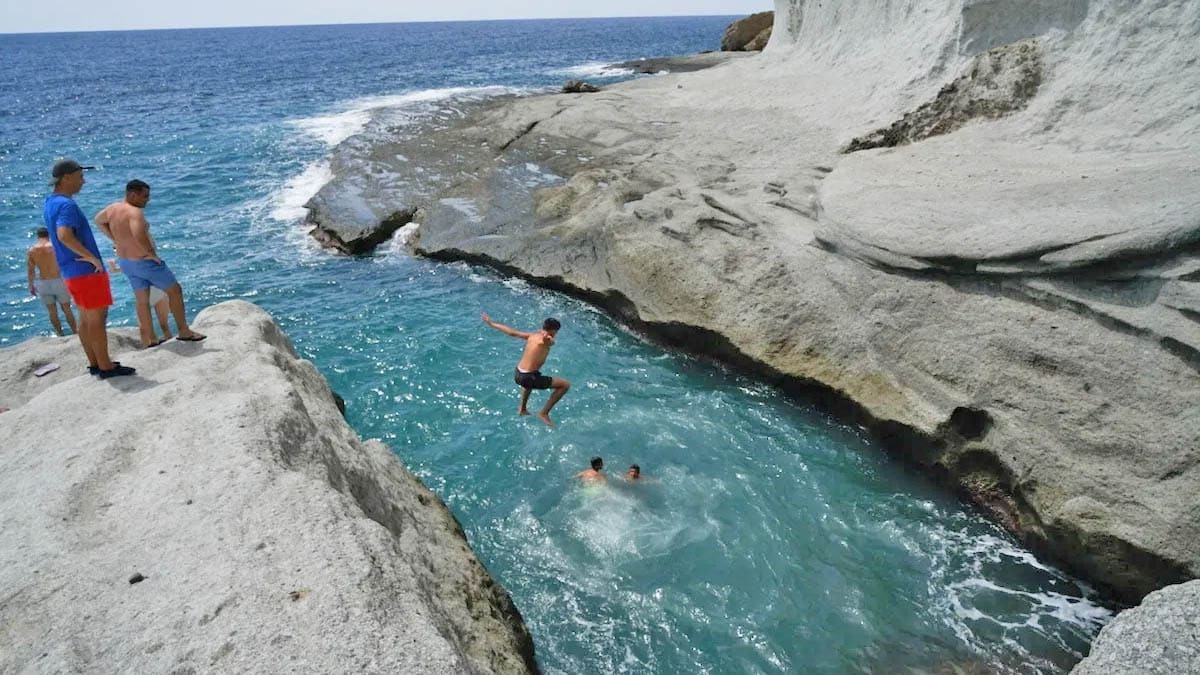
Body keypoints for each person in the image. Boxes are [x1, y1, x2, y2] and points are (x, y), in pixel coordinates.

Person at [43, 158, 135, 378]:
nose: (83, 181)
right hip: (86, 271)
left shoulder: (51, 202)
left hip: (70, 271)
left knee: (85, 318)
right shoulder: (67, 204)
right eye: (80, 176)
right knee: (97, 318)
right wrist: (91, 258)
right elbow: (63, 234)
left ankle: (95, 363)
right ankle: (105, 366)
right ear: (66, 178)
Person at [95, 179, 205, 347]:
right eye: (145, 196)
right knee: (175, 291)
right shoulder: (134, 212)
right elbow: (138, 233)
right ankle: (184, 331)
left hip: (126, 262)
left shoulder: (112, 209)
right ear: (133, 194)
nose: (148, 199)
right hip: (144, 262)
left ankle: (149, 340)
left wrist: (116, 239)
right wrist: (151, 254)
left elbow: (98, 220)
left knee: (142, 300)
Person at [481, 312, 570, 426]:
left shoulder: (532, 336)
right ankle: (543, 413)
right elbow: (548, 341)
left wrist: (492, 323)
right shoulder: (546, 340)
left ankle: (522, 409)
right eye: (556, 332)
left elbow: (512, 332)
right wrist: (548, 338)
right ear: (553, 331)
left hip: (518, 373)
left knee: (532, 379)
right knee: (565, 385)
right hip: (527, 377)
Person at [26, 227, 78, 336]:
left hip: (43, 283)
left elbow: (31, 270)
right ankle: (75, 332)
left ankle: (60, 334)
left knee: (52, 311)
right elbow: (66, 261)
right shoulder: (54, 247)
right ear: (48, 235)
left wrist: (31, 285)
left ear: (38, 236)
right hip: (58, 280)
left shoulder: (31, 250)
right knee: (67, 309)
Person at [110, 259, 172, 345]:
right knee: (151, 327)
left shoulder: (129, 261)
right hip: (155, 292)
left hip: (153, 293)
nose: (116, 250)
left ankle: (151, 346)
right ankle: (150, 346)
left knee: (160, 325)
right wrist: (113, 267)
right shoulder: (128, 261)